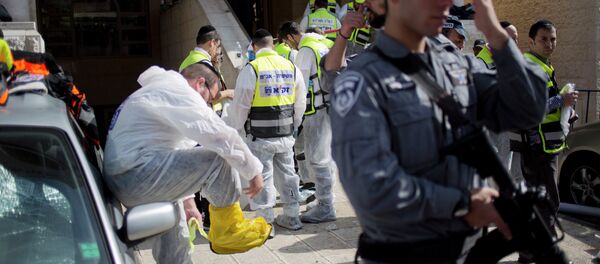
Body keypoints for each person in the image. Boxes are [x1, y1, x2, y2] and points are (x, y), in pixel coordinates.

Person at [330, 0, 548, 262]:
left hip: (468, 251)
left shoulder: (455, 64)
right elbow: (372, 190)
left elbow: (527, 110)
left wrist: (495, 33)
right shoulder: (363, 80)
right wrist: (464, 205)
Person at [103, 63, 272, 262]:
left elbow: (177, 151)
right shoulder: (177, 90)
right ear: (201, 83)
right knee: (218, 159)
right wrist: (254, 171)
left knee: (175, 235)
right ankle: (228, 229)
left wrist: (188, 201)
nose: (208, 105)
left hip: (130, 177)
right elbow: (219, 136)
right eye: (210, 99)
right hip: (136, 174)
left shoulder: (156, 91)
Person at [225, 29, 307, 231]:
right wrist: (294, 126)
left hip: (260, 137)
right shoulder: (291, 67)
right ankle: (292, 216)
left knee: (263, 178)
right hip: (285, 134)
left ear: (254, 46)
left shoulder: (252, 69)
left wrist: (238, 128)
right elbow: (300, 102)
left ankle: (265, 223)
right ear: (272, 44)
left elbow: (241, 104)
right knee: (289, 175)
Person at [511, 19, 578, 263]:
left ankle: (528, 255)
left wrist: (566, 110)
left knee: (541, 203)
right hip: (537, 148)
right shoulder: (532, 66)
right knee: (548, 204)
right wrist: (563, 102)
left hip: (544, 146)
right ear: (531, 41)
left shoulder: (542, 65)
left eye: (553, 39)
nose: (550, 44)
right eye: (544, 39)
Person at [294, 27, 337, 224]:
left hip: (316, 110)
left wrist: (295, 117)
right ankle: (325, 200)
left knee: (318, 160)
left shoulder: (306, 50)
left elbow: (299, 85)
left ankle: (326, 206)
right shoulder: (327, 44)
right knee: (327, 158)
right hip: (333, 106)